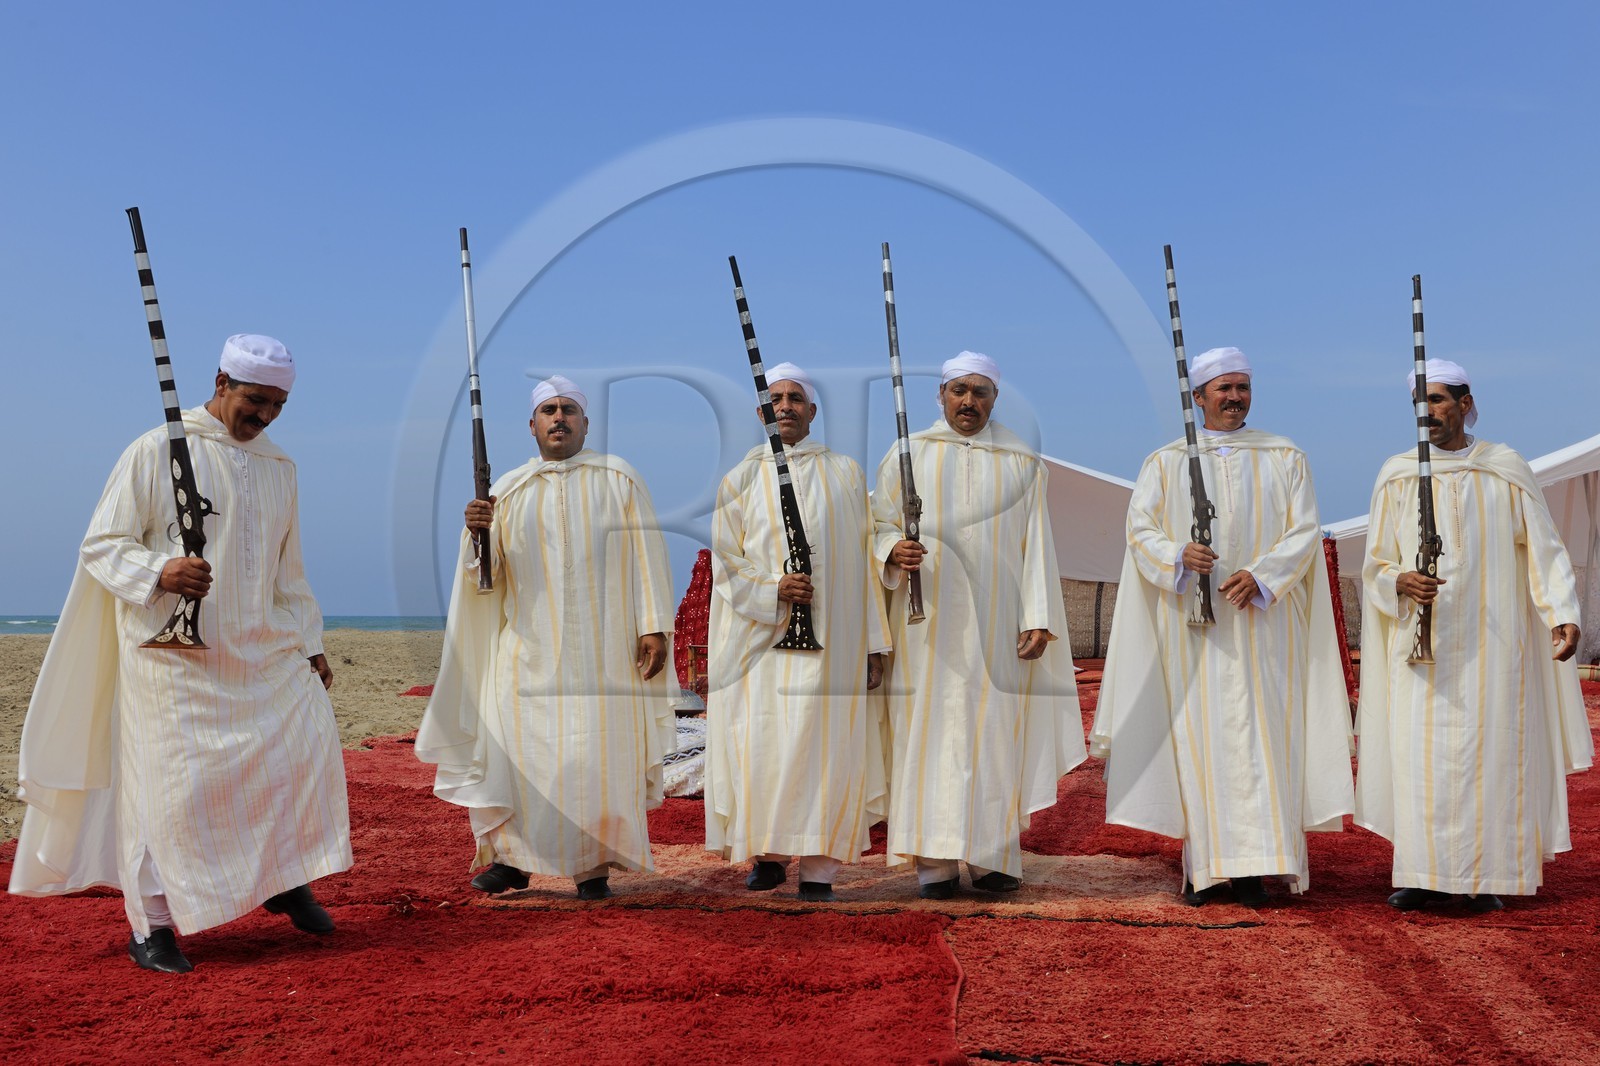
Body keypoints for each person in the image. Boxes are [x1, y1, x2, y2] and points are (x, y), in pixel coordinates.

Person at [9, 334, 350, 973]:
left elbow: (288, 570)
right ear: (221, 382)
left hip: (262, 647)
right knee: (168, 793)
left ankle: (281, 879)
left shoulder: (281, 466)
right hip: (173, 652)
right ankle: (153, 929)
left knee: (303, 751)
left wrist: (310, 642)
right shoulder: (157, 449)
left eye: (278, 404)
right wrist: (159, 571)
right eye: (256, 400)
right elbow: (102, 543)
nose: (267, 415)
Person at [1091, 347, 1354, 907]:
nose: (1235, 398)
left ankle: (1267, 866)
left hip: (1266, 627)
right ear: (1198, 398)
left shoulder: (1286, 457)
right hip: (1195, 632)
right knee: (1200, 740)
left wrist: (1262, 577)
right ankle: (1206, 869)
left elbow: (1305, 532)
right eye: (1224, 389)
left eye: (1243, 387)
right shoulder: (1165, 463)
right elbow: (1139, 532)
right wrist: (1178, 555)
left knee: (1269, 738)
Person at [417, 375, 676, 901]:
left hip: (604, 653)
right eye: (548, 411)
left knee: (595, 757)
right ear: (531, 426)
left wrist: (654, 625)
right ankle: (512, 862)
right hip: (528, 650)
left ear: (585, 421)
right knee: (520, 753)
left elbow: (649, 556)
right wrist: (476, 533)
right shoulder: (507, 490)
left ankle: (592, 868)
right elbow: (482, 579)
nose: (559, 418)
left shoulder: (619, 479)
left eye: (568, 410)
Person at [1357, 359, 1591, 912]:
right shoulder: (1397, 474)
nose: (1429, 412)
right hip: (1424, 646)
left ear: (1465, 403)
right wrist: (1400, 580)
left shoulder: (1504, 468)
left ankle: (1488, 877)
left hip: (1495, 646)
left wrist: (1562, 609)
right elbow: (1375, 564)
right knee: (1421, 758)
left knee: (1491, 756)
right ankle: (1422, 873)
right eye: (1420, 402)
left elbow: (1544, 547)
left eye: (1438, 400)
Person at [871, 351, 1085, 899]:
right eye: (959, 390)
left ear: (995, 398)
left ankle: (993, 856)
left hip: (998, 627)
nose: (969, 401)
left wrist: (1038, 614)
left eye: (980, 392)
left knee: (994, 735)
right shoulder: (907, 454)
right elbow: (876, 522)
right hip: (925, 626)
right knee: (927, 734)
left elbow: (1038, 539)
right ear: (940, 395)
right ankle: (934, 863)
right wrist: (892, 548)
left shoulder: (1020, 460)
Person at [705, 363, 892, 902]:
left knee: (823, 749)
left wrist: (872, 644)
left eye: (795, 398)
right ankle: (766, 853)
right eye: (775, 398)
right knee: (761, 744)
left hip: (831, 644)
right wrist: (773, 589)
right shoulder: (739, 479)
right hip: (758, 643)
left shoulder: (845, 473)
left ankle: (818, 869)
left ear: (812, 411)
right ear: (762, 412)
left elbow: (861, 563)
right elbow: (727, 561)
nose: (784, 405)